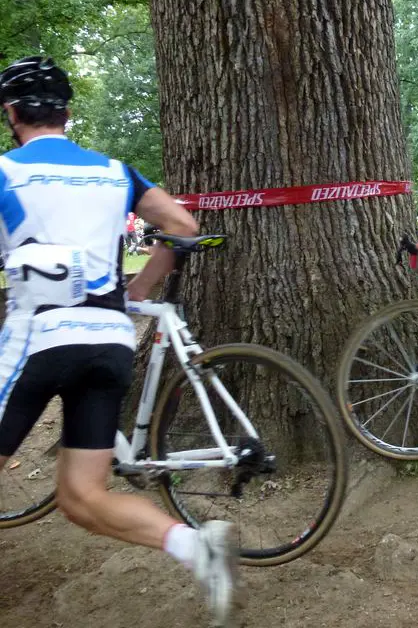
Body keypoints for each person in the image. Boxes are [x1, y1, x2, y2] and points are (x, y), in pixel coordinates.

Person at [0, 57, 239, 627]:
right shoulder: (115, 171)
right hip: (108, 341)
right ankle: (199, 548)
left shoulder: (6, 172)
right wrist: (139, 287)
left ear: (11, 115)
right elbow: (182, 224)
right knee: (83, 497)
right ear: (67, 114)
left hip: (38, 339)